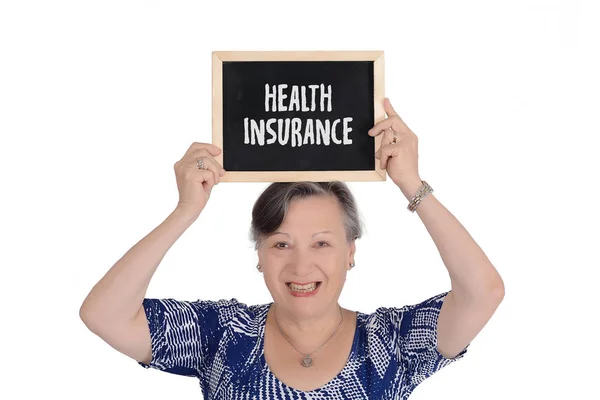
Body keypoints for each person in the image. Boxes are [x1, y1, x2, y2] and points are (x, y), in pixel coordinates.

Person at [80, 98, 505, 399]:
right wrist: (185, 210)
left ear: (350, 252)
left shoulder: (390, 343)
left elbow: (482, 292)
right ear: (260, 255)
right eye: (281, 244)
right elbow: (105, 314)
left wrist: (412, 184)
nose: (302, 265)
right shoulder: (225, 334)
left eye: (322, 243)